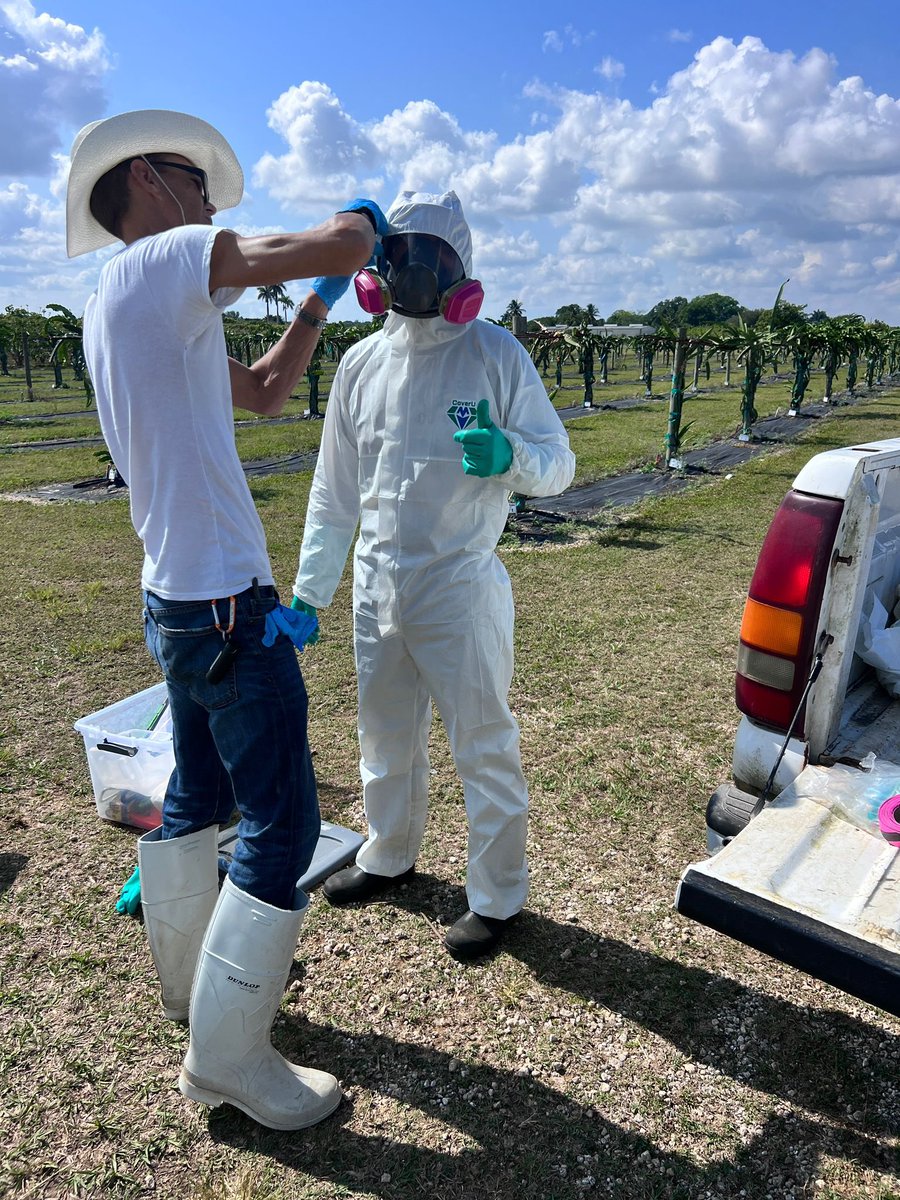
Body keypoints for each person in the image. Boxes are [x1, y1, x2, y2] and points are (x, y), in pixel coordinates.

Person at [66, 108, 385, 1131]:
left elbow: (266, 396)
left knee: (198, 797)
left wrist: (317, 311)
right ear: (152, 185)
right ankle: (228, 1059)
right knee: (284, 821)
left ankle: (189, 997)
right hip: (220, 601)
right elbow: (330, 240)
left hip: (177, 598)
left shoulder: (119, 300)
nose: (211, 200)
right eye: (198, 182)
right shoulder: (166, 257)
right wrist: (356, 232)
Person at [291, 190, 575, 959]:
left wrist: (511, 459)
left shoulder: (494, 354)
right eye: (400, 253)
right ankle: (389, 855)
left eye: (432, 256)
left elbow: (560, 460)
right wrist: (311, 590)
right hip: (378, 587)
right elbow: (333, 491)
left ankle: (498, 896)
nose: (413, 270)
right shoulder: (359, 364)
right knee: (383, 736)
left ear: (462, 269)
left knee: (482, 743)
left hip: (459, 589)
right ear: (378, 268)